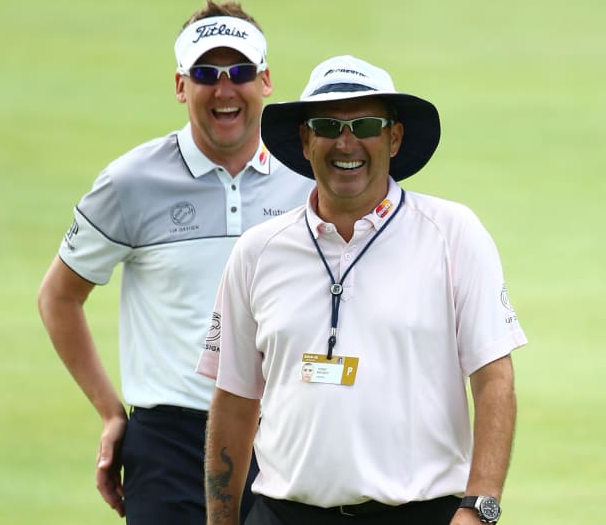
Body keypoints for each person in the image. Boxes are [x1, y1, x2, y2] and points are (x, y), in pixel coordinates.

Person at [197, 55, 527, 525]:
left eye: (365, 124)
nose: (345, 142)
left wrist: (480, 508)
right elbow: (233, 398)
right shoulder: (257, 251)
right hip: (283, 514)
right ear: (306, 139)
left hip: (420, 514)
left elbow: (495, 381)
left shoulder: (453, 233)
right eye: (328, 126)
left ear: (393, 137)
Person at [36, 0, 311, 524]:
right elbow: (58, 296)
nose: (225, 89)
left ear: (266, 81)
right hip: (171, 444)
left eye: (241, 72)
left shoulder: (307, 178)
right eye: (206, 72)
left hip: (289, 433)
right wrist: (111, 411)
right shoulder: (131, 182)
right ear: (182, 85)